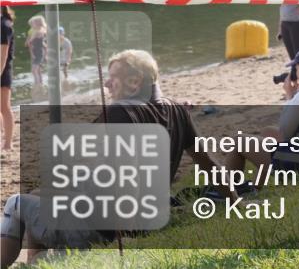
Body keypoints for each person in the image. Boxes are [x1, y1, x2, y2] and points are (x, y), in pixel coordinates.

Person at [1, 49, 230, 267]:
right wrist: (237, 202)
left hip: (104, 230)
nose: (107, 84)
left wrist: (125, 238)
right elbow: (210, 164)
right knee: (39, 195)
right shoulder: (178, 111)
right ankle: (36, 263)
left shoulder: (120, 112)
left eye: (113, 78)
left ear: (135, 82)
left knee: (17, 204)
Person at [221, 47, 299, 176]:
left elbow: (285, 133)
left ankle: (225, 187)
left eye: (296, 68)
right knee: (268, 131)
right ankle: (258, 183)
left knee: (238, 140)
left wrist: (289, 96)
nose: (295, 73)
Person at [1, 3, 14, 151]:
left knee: (4, 107)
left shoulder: (4, 25)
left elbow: (3, 54)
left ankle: (8, 143)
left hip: (3, 70)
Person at [25, 16, 46, 86]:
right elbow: (41, 43)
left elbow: (29, 42)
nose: (32, 25)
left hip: (37, 52)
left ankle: (37, 85)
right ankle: (40, 83)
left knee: (34, 70)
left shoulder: (37, 32)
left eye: (33, 23)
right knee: (38, 70)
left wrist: (29, 40)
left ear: (37, 24)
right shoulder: (41, 31)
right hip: (39, 51)